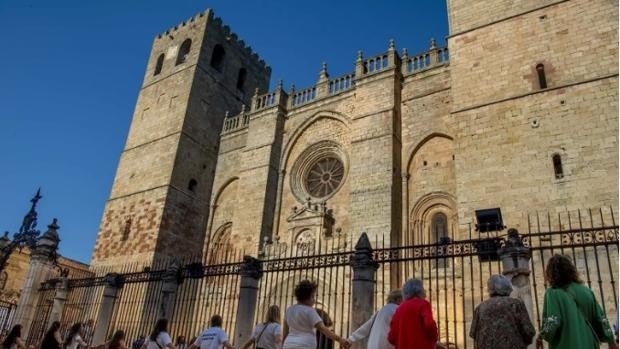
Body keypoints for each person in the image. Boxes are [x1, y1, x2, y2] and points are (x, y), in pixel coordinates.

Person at [538, 254, 617, 349]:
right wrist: (611, 341)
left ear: (550, 273)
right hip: (589, 344)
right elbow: (601, 319)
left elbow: (553, 322)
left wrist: (541, 336)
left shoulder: (552, 293)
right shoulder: (586, 291)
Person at [469, 275, 535, 349]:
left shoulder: (480, 308)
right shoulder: (516, 304)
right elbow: (529, 332)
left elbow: (473, 334)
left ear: (489, 289)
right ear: (509, 288)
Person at [282, 280, 348, 349]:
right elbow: (323, 329)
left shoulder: (289, 310)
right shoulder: (309, 311)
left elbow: (285, 332)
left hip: (288, 344)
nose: (314, 300)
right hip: (305, 345)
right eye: (313, 297)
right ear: (307, 298)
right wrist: (340, 339)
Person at [388, 279, 438, 349]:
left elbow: (391, 337)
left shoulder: (399, 308)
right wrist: (434, 337)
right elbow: (429, 324)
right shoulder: (423, 304)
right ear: (420, 291)